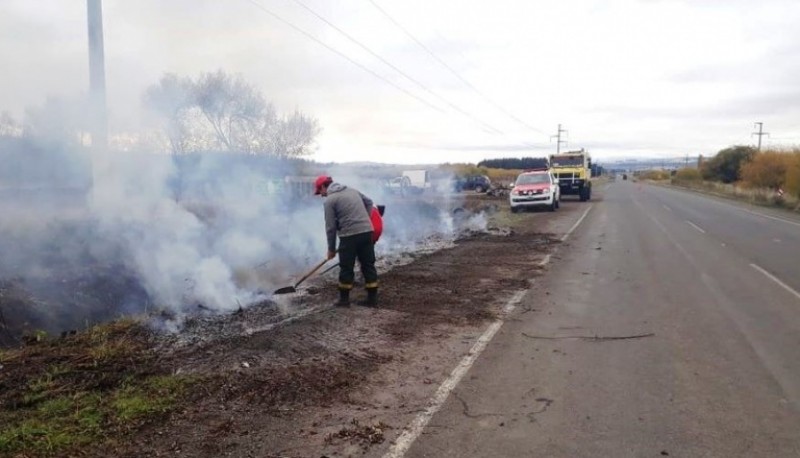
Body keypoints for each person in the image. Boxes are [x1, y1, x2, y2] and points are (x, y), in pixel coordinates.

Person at [314, 175, 379, 307]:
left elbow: (331, 228)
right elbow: (369, 202)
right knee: (368, 264)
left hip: (349, 236)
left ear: (323, 187)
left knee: (346, 267)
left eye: (320, 192)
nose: (321, 195)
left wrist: (331, 249)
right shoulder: (351, 190)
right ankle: (372, 300)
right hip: (367, 232)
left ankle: (344, 300)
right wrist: (364, 219)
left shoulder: (330, 200)